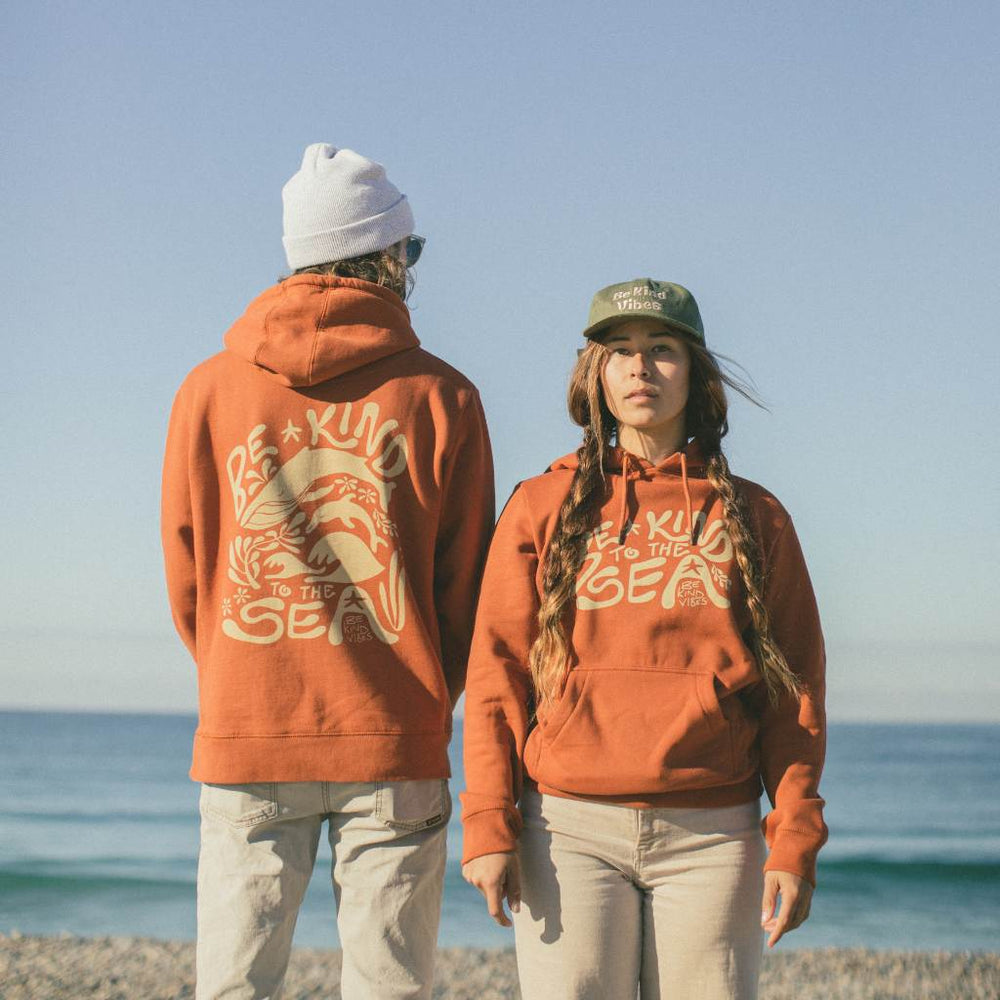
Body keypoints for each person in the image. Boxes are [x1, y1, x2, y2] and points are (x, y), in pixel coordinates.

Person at [161, 143, 494, 1000]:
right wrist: (423, 694)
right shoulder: (443, 396)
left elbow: (189, 569)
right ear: (386, 254)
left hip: (248, 727)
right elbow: (467, 588)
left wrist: (243, 678)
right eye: (408, 251)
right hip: (391, 731)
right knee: (389, 987)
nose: (409, 267)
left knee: (234, 985)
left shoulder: (208, 389)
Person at [460, 278, 826, 999]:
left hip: (713, 836)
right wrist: (488, 822)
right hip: (566, 831)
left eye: (661, 350)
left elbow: (796, 695)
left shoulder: (757, 516)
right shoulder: (541, 505)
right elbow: (497, 673)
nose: (640, 368)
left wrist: (794, 840)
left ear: (695, 373)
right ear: (594, 374)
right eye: (619, 351)